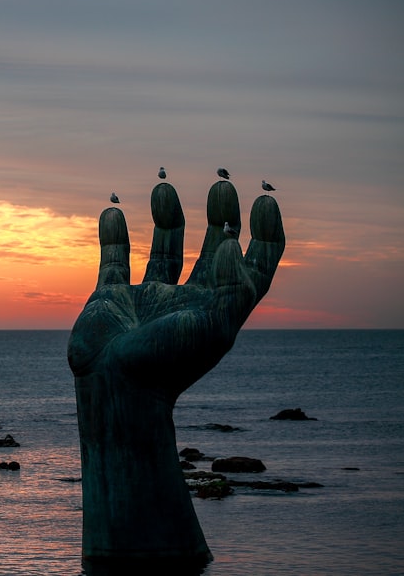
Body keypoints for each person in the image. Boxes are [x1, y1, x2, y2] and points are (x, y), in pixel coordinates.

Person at [68, 179, 284, 570]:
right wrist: (110, 378)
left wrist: (118, 385)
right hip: (155, 550)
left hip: (115, 551)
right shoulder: (111, 355)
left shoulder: (127, 364)